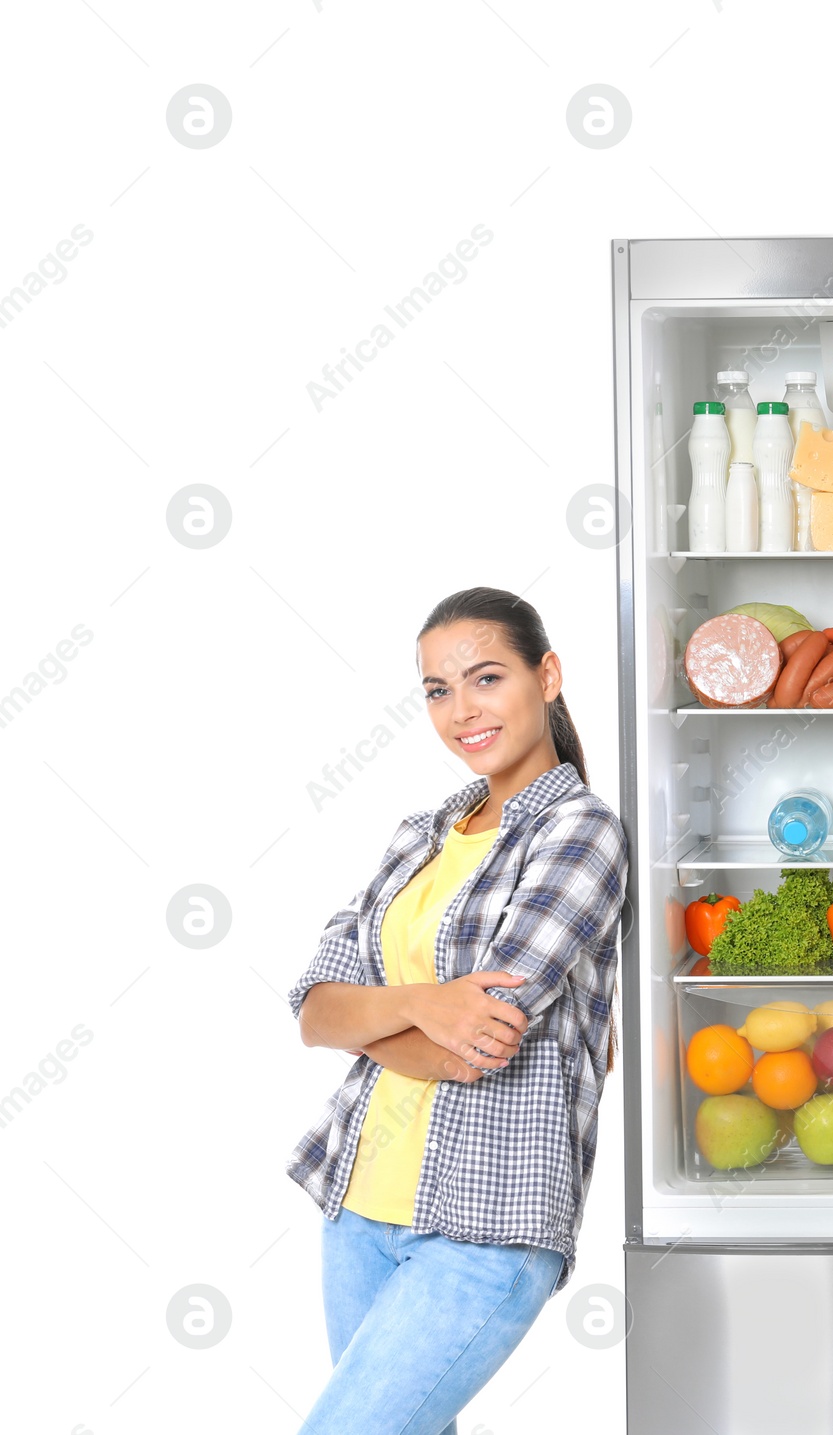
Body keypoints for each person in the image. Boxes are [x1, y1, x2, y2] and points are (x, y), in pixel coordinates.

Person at [284, 587, 628, 1434]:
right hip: (360, 1206)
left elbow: (480, 1041)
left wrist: (387, 1019)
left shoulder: (582, 832)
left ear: (546, 675)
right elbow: (314, 1009)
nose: (461, 710)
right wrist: (424, 1003)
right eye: (438, 689)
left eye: (485, 677)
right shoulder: (420, 835)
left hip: (487, 1224)